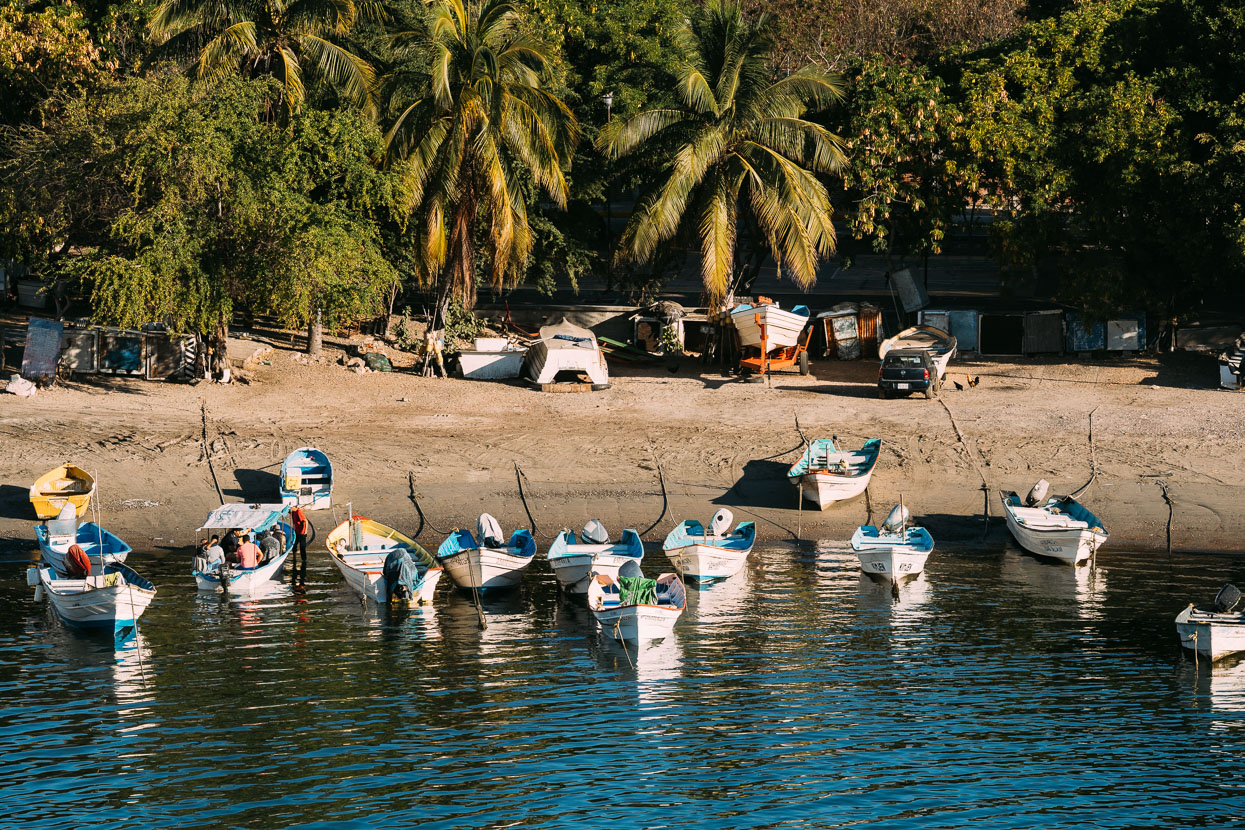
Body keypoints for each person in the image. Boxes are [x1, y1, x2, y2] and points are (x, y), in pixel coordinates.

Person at [289, 505, 309, 584]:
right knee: (294, 545)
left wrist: (305, 531)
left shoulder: (299, 512)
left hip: (301, 532)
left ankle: (304, 560)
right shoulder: (293, 512)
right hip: (296, 531)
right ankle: (294, 559)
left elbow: (305, 521)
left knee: (302, 547)